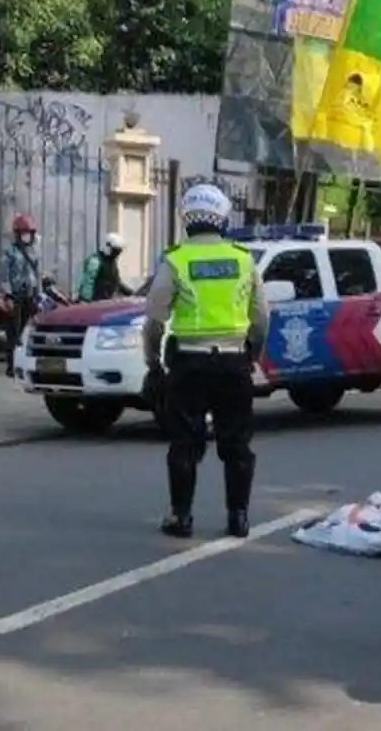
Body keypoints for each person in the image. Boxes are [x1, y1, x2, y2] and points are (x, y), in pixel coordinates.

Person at [142, 183, 270, 539]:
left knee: (185, 442)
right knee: (238, 444)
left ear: (186, 219)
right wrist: (253, 355)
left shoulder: (176, 260)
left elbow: (154, 320)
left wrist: (153, 361)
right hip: (234, 363)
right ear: (223, 218)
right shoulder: (244, 260)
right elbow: (261, 318)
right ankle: (238, 517)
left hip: (189, 364)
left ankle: (181, 517)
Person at [2, 213, 41, 377]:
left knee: (29, 330)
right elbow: (4, 275)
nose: (27, 237)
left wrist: (38, 294)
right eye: (24, 233)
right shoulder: (9, 252)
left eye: (29, 233)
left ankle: (26, 363)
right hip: (16, 295)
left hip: (30, 295)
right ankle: (12, 365)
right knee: (14, 332)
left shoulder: (34, 251)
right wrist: (8, 295)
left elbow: (37, 274)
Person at [77, 233, 134, 302]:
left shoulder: (111, 262)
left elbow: (116, 281)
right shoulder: (96, 261)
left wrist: (130, 293)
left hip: (105, 301)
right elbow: (88, 283)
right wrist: (85, 301)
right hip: (94, 302)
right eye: (116, 251)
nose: (117, 254)